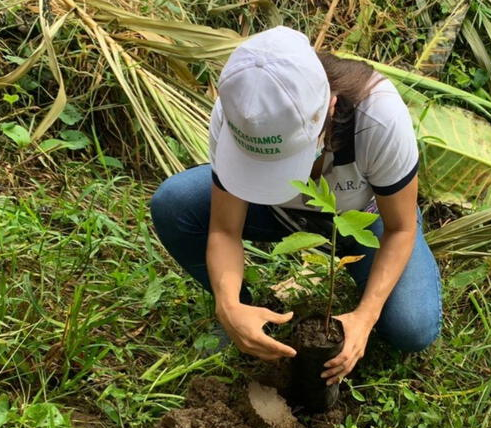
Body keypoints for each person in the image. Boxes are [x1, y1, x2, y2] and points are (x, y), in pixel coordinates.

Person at [150, 26, 441, 385]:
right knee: (174, 203)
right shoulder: (240, 110)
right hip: (277, 214)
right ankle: (244, 311)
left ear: (330, 107)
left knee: (412, 327)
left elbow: (400, 228)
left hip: (367, 218)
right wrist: (228, 305)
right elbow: (224, 228)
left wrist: (365, 317)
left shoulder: (378, 116)